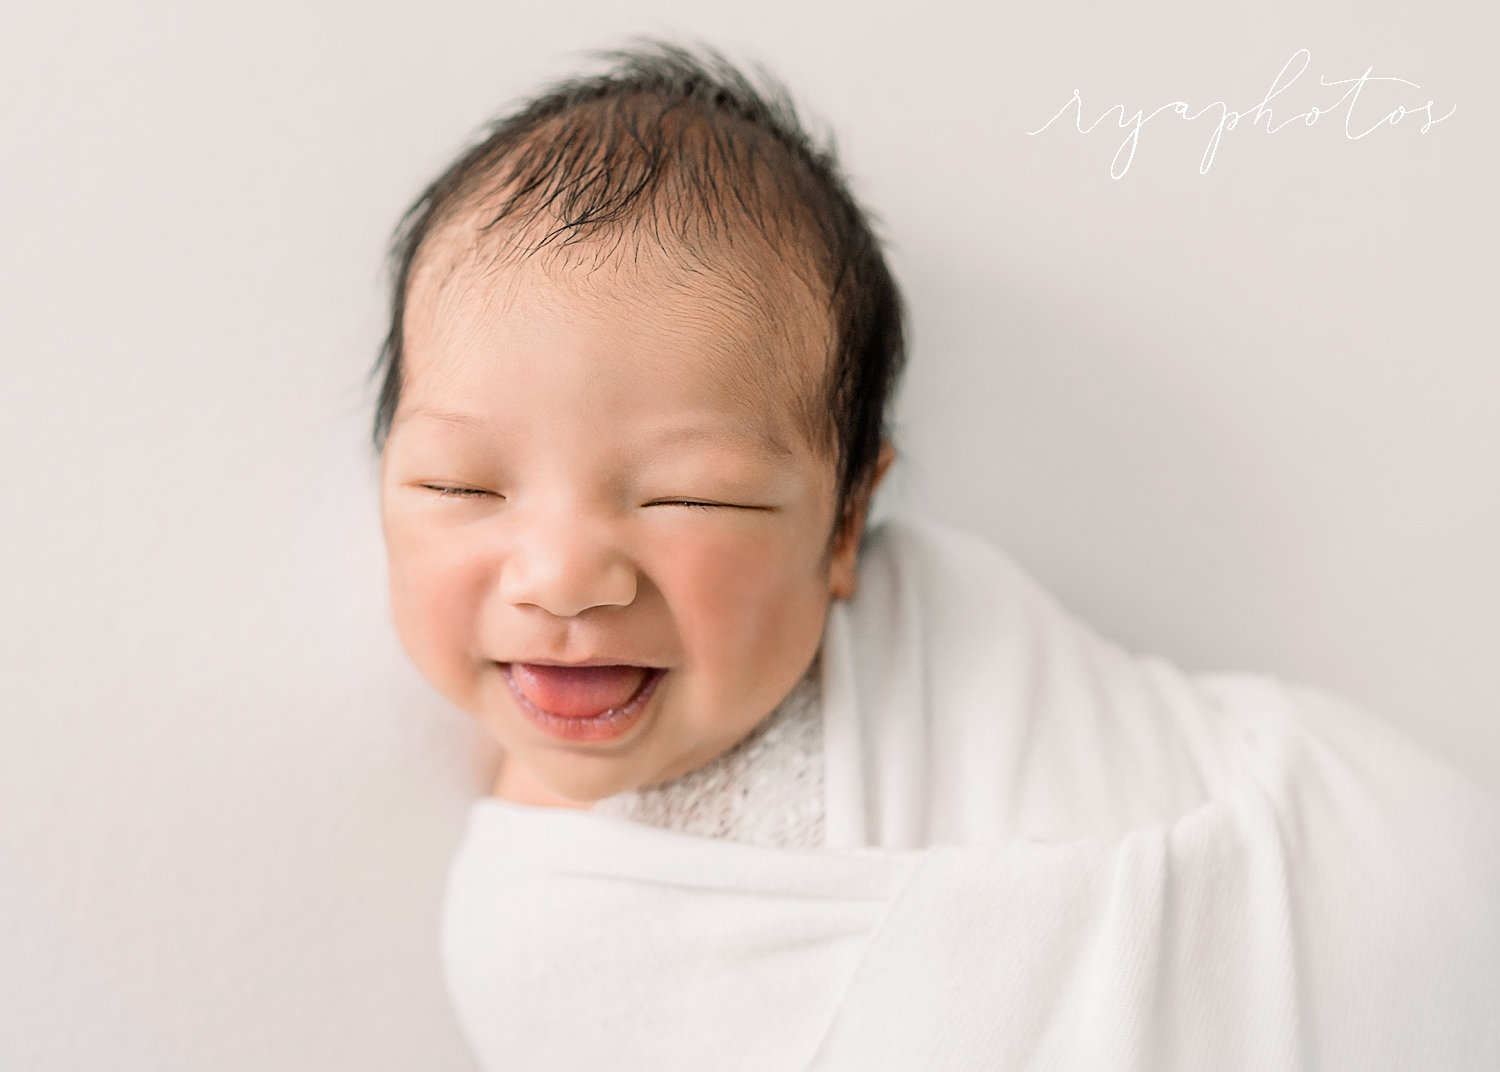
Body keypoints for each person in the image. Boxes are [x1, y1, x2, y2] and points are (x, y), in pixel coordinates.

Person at [372, 40, 1500, 1071]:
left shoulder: (941, 640)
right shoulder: (536, 939)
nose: (564, 577)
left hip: (1359, 879)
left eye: (689, 496)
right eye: (458, 486)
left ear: (848, 528)